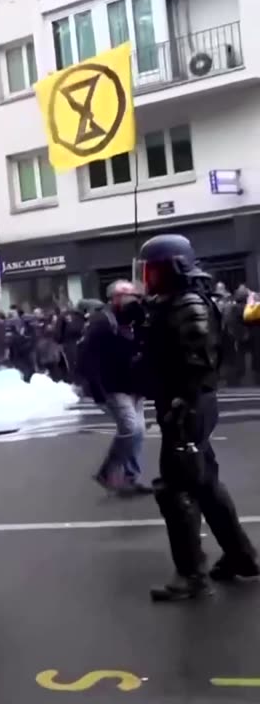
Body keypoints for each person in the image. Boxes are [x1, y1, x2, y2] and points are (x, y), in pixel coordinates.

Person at [135, 234, 259, 602]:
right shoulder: (171, 302)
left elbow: (194, 361)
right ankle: (241, 558)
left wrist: (180, 406)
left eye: (154, 270)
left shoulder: (188, 304)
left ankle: (191, 574)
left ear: (174, 267)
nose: (149, 277)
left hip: (187, 404)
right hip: (188, 403)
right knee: (204, 483)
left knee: (175, 490)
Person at [78, 280, 150, 496]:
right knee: (130, 428)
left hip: (133, 385)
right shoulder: (102, 321)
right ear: (114, 298)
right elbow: (86, 357)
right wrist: (96, 389)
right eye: (127, 295)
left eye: (135, 296)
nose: (134, 300)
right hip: (112, 385)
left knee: (138, 431)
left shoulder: (136, 318)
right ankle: (109, 471)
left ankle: (130, 478)